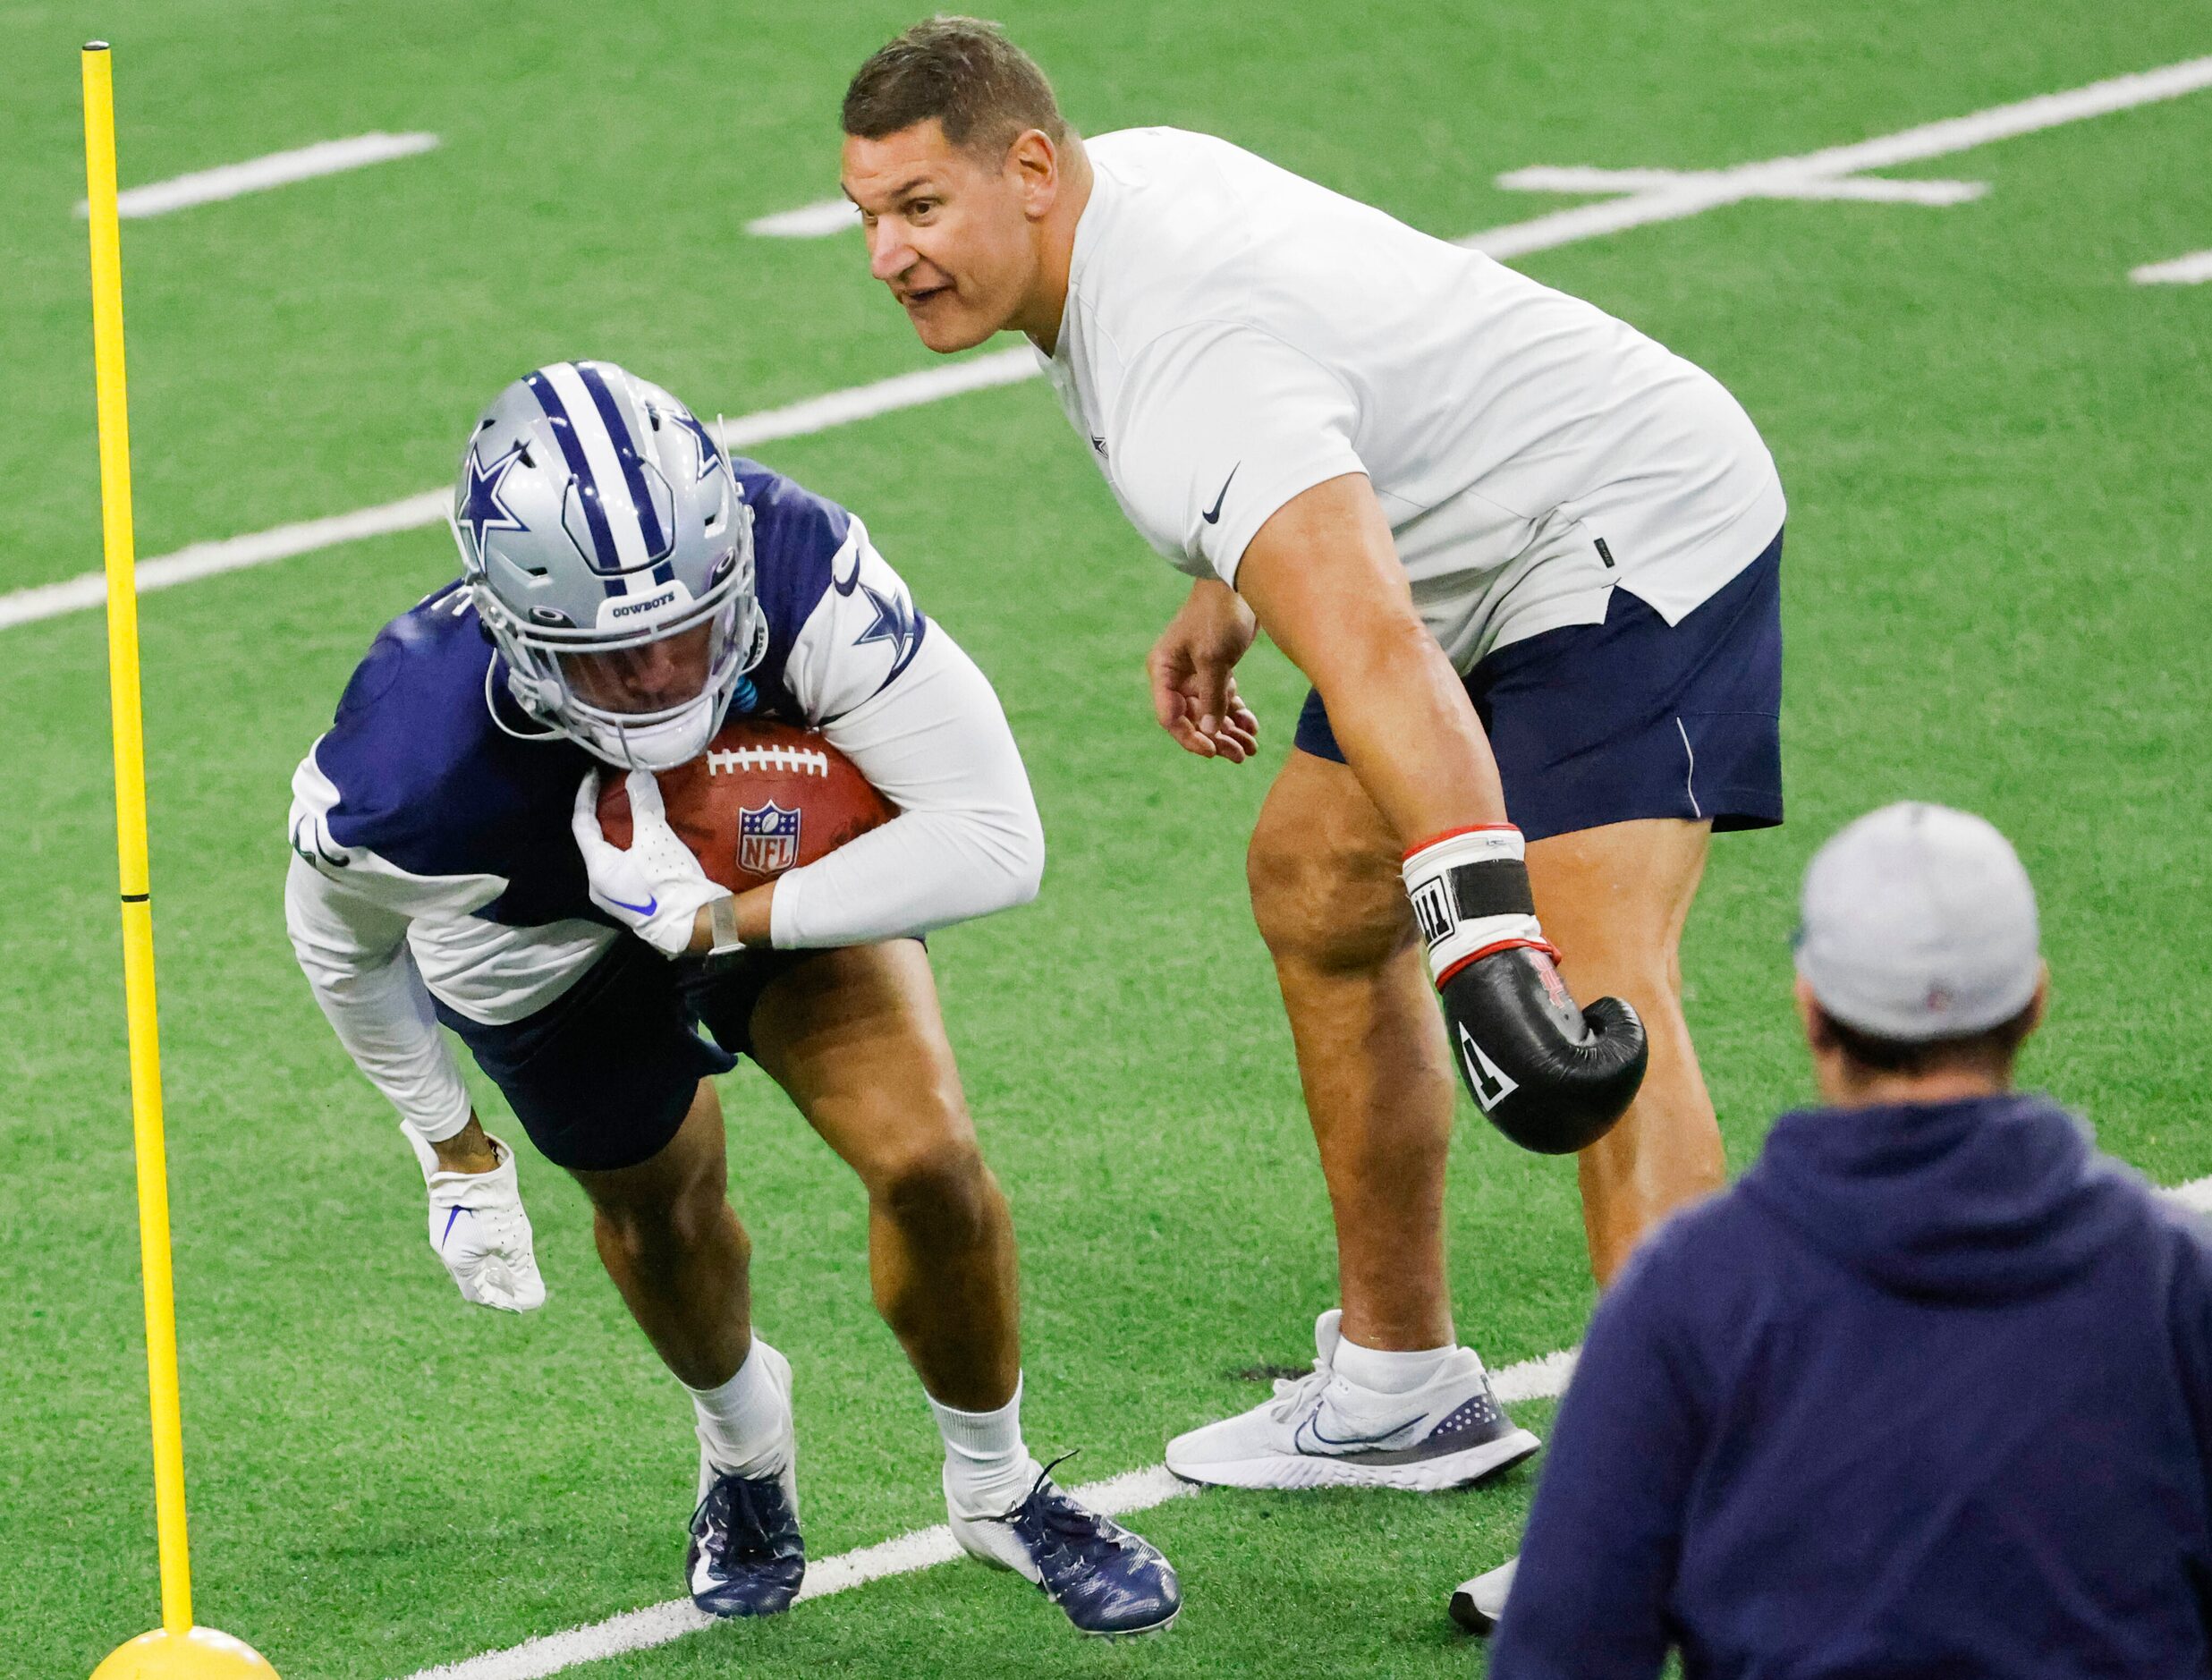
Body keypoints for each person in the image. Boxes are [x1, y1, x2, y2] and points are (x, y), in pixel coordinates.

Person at [839, 18, 1783, 1493]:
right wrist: (1229, 585)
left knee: (1589, 984)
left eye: (916, 209)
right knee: (1315, 890)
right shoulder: (1122, 197)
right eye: (868, 218)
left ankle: (1695, 1496)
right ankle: (1401, 1386)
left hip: (1623, 524)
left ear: (1029, 167)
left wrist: (1485, 953)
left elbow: (1377, 656)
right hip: (1454, 540)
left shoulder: (1180, 365)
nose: (887, 256)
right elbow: (1327, 390)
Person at [284, 360, 1180, 1635]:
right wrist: (453, 1146)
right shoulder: (411, 761)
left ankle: (998, 1484)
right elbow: (338, 947)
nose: (657, 677)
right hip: (530, 934)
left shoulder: (798, 562)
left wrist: (726, 916)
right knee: (662, 1217)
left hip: (765, 866)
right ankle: (746, 1450)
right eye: (612, 656)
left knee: (928, 1158)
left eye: (684, 633)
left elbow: (995, 835)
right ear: (515, 629)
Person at [1476, 802, 2212, 1676]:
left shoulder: (1687, 1295)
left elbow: (1563, 1654)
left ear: (1810, 1008)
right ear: (2032, 1003)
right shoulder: (2177, 1282)